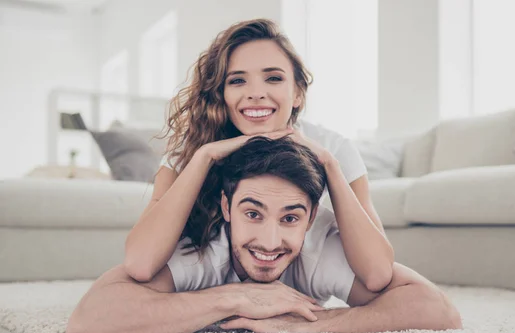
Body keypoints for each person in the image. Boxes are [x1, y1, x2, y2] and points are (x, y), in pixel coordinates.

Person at [65, 137, 462, 333]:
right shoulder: (203, 242)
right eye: (253, 214)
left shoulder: (319, 246)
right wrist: (236, 297)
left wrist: (316, 323)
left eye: (290, 218)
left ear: (310, 219)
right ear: (226, 208)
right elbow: (88, 324)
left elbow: (436, 308)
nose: (270, 243)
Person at [122, 18, 395, 294]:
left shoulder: (333, 149)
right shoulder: (190, 151)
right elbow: (140, 264)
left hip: (302, 285)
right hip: (214, 289)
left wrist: (329, 165)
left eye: (273, 78)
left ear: (298, 92)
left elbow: (378, 273)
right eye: (238, 80)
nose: (255, 94)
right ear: (222, 94)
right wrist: (204, 157)